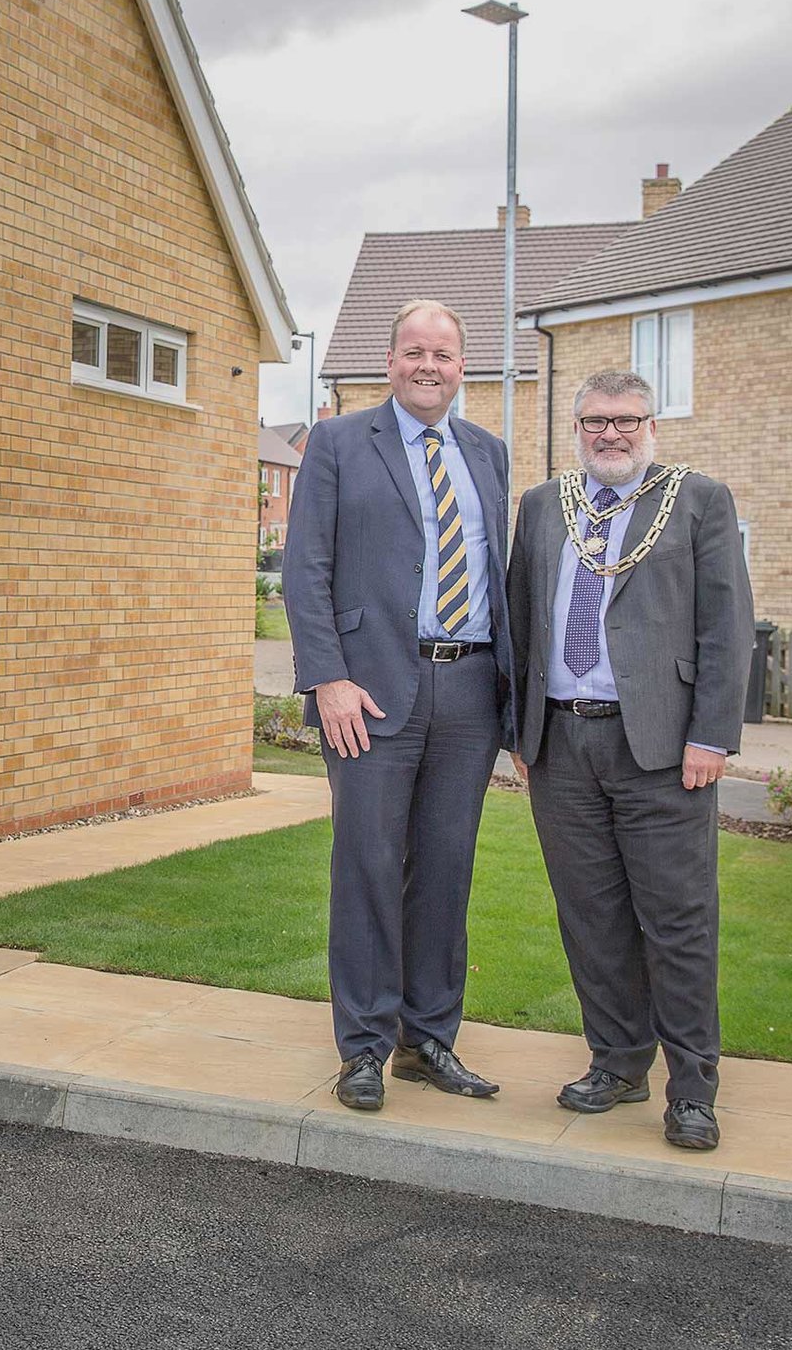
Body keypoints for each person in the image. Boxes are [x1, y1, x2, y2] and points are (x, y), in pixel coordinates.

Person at [507, 370, 751, 1151]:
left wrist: (711, 735)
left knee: (677, 919)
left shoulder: (698, 499)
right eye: (595, 421)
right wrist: (519, 732)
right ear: (575, 427)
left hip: (661, 747)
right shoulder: (544, 506)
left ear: (652, 424)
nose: (609, 434)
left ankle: (692, 1089)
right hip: (562, 744)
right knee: (592, 915)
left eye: (625, 420)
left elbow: (727, 625)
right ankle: (617, 1061)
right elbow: (519, 620)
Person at [284, 300, 514, 1113]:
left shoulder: (488, 453)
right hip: (370, 689)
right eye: (414, 351)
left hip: (470, 690)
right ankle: (365, 1047)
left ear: (463, 366)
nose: (429, 366)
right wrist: (327, 677)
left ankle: (429, 1039)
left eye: (443, 354)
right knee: (369, 864)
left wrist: (515, 708)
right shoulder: (341, 441)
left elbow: (498, 577)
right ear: (389, 361)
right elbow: (305, 564)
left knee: (446, 870)